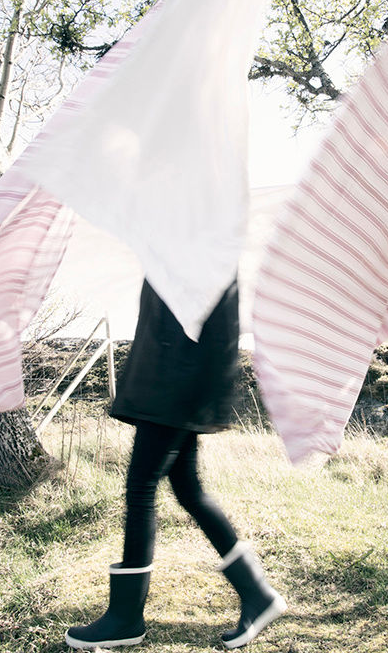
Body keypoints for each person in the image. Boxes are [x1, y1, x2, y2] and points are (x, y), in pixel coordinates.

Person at [65, 277, 286, 650]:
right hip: (177, 377)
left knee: (141, 487)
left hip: (174, 378)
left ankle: (125, 617)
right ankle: (257, 593)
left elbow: (200, 315)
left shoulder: (197, 250)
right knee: (189, 490)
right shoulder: (188, 248)